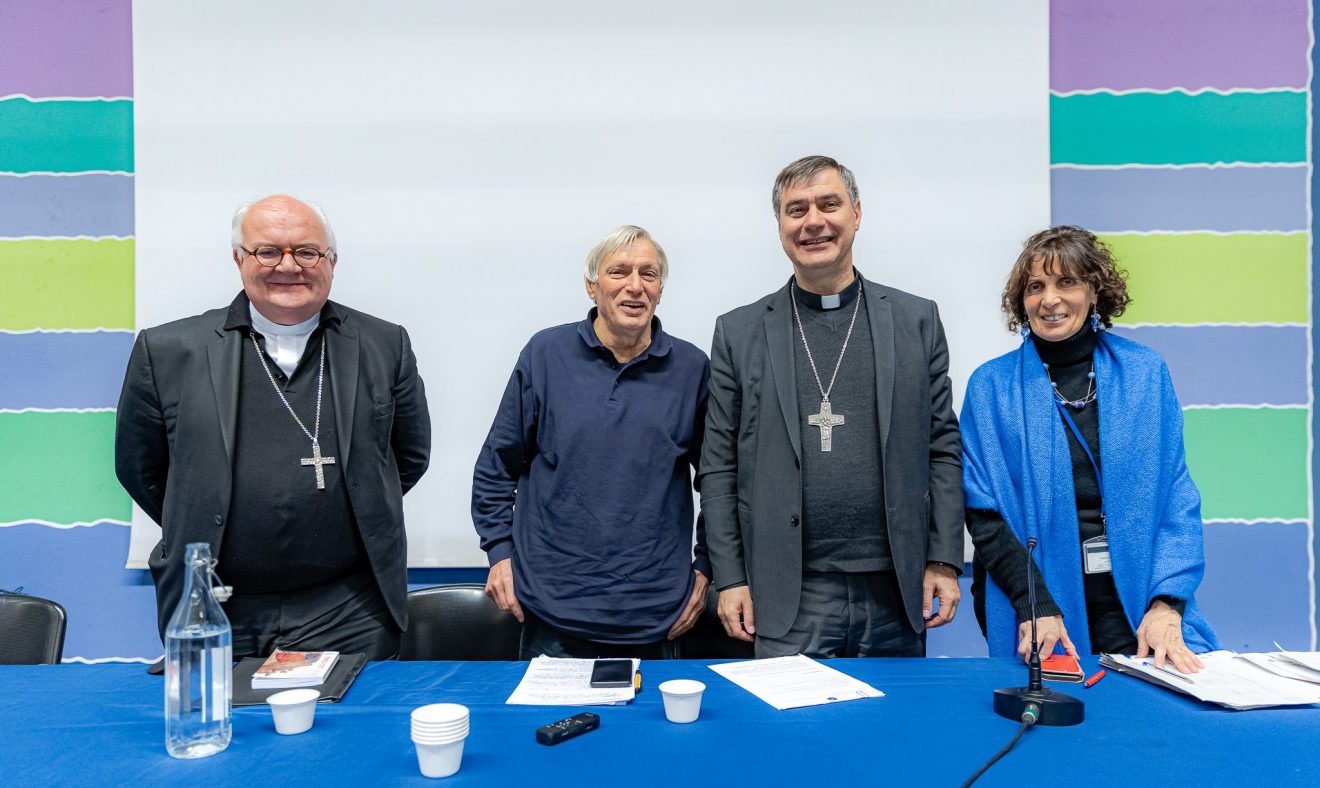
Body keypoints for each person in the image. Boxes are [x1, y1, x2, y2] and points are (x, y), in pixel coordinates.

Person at [115, 194, 430, 661]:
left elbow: (408, 456)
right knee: (223, 728)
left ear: (332, 261)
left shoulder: (385, 344)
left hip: (349, 608)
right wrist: (204, 515)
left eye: (306, 251)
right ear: (239, 259)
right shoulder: (167, 351)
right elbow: (141, 469)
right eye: (267, 251)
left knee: (351, 732)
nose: (289, 266)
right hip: (218, 602)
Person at [700, 155, 963, 658]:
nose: (813, 221)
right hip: (786, 591)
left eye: (829, 204)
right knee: (791, 736)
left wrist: (944, 558)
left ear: (857, 214)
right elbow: (718, 467)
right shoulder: (738, 332)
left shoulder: (916, 320)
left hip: (895, 587)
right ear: (779, 227)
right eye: (796, 210)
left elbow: (942, 448)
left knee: (888, 734)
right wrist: (729, 577)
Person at [961, 226, 1219, 673]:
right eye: (1035, 287)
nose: (1050, 299)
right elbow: (982, 512)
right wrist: (1034, 603)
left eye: (1067, 282)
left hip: (1136, 601)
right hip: (1039, 608)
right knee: (1052, 724)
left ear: (1095, 290)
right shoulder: (991, 387)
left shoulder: (1145, 372)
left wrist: (1166, 603)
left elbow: (1176, 496)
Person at [471, 225, 710, 659]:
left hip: (657, 613)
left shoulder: (692, 368)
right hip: (551, 610)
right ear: (591, 285)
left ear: (660, 289)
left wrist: (707, 567)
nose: (635, 286)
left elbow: (718, 481)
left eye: (649, 274)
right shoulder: (545, 354)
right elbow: (496, 466)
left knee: (655, 729)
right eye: (619, 272)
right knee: (547, 728)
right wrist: (499, 552)